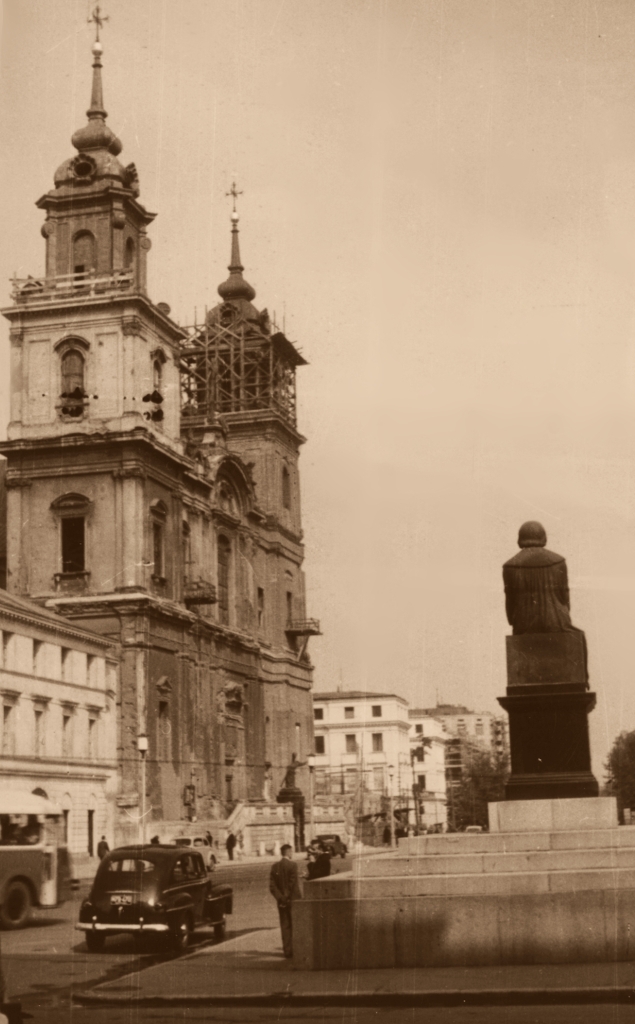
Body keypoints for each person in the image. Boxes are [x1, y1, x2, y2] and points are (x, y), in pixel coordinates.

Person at [269, 843, 302, 957]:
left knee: (285, 925)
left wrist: (280, 898)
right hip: (293, 900)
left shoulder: (275, 867)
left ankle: (287, 951)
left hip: (281, 902)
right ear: (288, 852)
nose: (292, 854)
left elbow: (272, 887)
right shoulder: (293, 865)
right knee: (296, 924)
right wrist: (286, 896)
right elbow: (291, 883)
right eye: (291, 852)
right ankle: (297, 949)